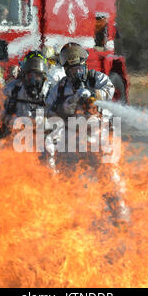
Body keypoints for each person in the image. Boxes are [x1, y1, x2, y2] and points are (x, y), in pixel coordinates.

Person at [46, 42, 130, 225]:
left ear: (84, 62)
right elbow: (50, 110)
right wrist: (67, 105)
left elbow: (109, 91)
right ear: (65, 68)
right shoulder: (60, 87)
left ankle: (120, 215)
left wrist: (92, 94)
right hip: (70, 140)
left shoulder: (96, 78)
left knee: (108, 175)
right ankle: (72, 218)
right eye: (70, 65)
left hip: (97, 136)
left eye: (78, 64)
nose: (75, 70)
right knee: (67, 179)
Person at [1, 51, 50, 136]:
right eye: (30, 75)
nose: (33, 80)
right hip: (16, 136)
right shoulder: (12, 89)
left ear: (44, 77)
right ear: (24, 75)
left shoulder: (51, 90)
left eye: (37, 75)